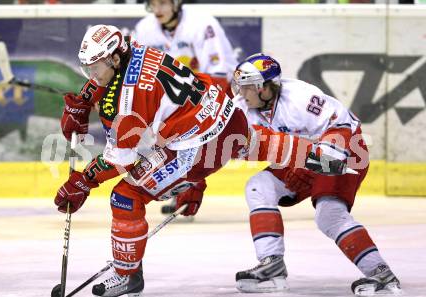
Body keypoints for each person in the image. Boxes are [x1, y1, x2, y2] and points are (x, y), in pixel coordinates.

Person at [55, 25, 335, 297]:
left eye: (94, 68)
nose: (90, 75)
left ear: (115, 58)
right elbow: (106, 78)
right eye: (87, 69)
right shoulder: (134, 48)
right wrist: (83, 101)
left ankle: (127, 275)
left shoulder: (127, 102)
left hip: (198, 147)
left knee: (126, 196)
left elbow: (121, 160)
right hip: (226, 117)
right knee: (257, 143)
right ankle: (328, 156)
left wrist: (83, 181)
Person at [231, 53, 402, 296]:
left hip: (345, 151)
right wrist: (192, 181)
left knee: (329, 215)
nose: (241, 94)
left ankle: (380, 274)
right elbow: (219, 143)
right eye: (240, 86)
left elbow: (342, 126)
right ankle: (271, 266)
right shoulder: (244, 107)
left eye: (247, 87)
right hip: (304, 156)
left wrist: (317, 164)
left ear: (265, 88)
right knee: (259, 186)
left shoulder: (301, 98)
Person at [134, 0, 239, 214]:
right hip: (171, 102)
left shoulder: (201, 23)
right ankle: (185, 192)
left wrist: (203, 107)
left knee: (210, 146)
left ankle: (190, 191)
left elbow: (220, 71)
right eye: (153, 4)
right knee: (170, 146)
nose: (158, 10)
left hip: (208, 94)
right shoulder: (144, 29)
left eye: (163, 3)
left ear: (176, 3)